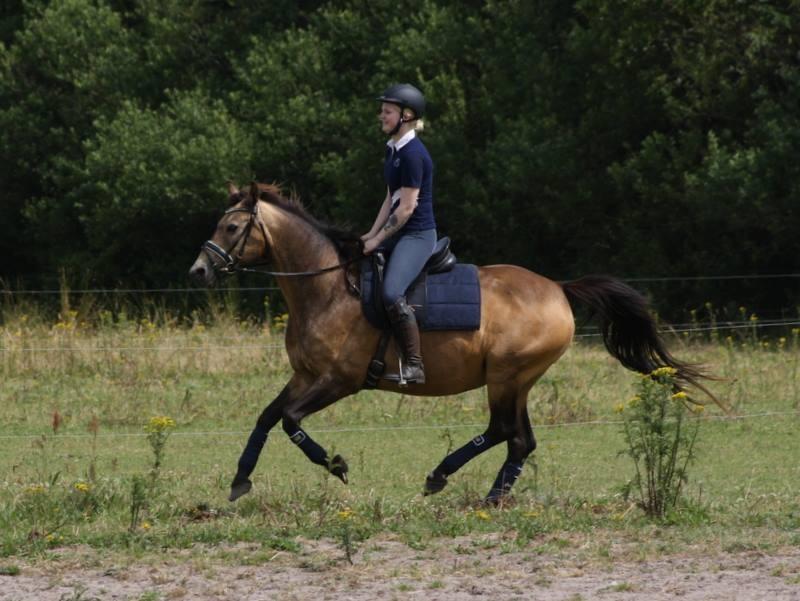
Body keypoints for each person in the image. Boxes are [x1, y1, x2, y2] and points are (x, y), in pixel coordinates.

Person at [361, 83, 436, 385]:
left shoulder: (413, 154)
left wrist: (378, 240)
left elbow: (406, 209)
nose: (381, 116)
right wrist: (370, 233)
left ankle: (415, 365)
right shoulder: (394, 150)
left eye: (387, 111)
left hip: (417, 235)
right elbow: (390, 197)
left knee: (391, 292)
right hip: (399, 233)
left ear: (406, 116)